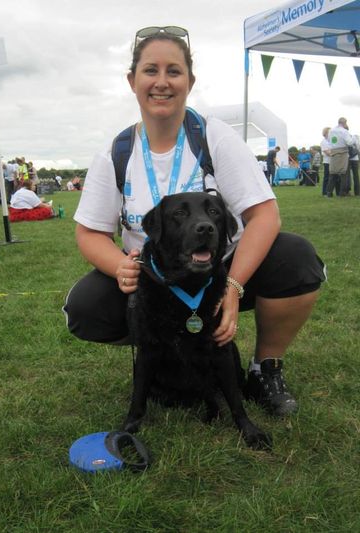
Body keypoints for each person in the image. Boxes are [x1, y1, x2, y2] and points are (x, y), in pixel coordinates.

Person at [63, 26, 325, 417]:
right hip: (157, 281)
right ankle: (168, 353)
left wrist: (233, 287)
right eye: (151, 70)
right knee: (86, 307)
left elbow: (264, 215)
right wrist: (119, 265)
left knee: (296, 258)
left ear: (190, 81)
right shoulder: (117, 152)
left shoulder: (213, 136)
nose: (162, 82)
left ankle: (264, 368)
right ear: (132, 81)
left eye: (174, 71)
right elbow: (89, 232)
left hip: (219, 273)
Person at [327, 117, 354, 197]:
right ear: (344, 123)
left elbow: (329, 140)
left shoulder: (331, 131)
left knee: (332, 173)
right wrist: (354, 138)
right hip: (342, 153)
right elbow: (349, 142)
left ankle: (329, 193)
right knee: (343, 174)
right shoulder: (344, 131)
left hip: (333, 153)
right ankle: (342, 193)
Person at [320, 127, 332, 196]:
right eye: (329, 132)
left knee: (332, 177)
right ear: (326, 133)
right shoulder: (323, 142)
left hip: (332, 162)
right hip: (327, 162)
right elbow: (327, 152)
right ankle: (324, 192)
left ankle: (329, 191)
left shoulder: (331, 141)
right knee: (327, 177)